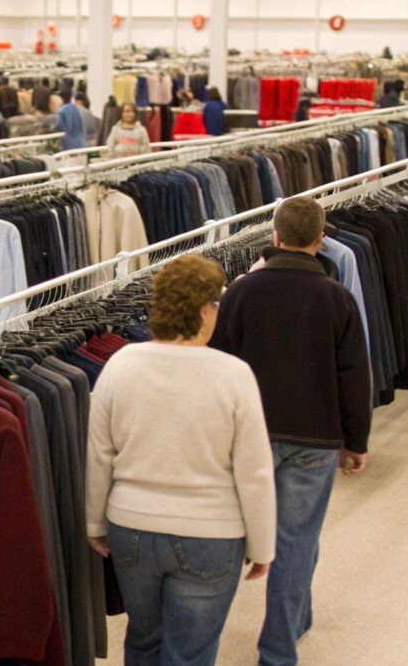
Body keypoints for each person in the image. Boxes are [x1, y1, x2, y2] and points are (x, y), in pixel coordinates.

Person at [86, 254, 276, 666]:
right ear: (206, 311)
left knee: (143, 641)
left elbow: (99, 454)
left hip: (133, 527)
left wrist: (95, 522)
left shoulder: (120, 365)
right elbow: (255, 471)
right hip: (210, 532)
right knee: (190, 653)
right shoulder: (233, 374)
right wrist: (262, 543)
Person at [209, 197, 372, 666]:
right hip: (314, 439)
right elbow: (353, 375)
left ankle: (263, 626)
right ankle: (279, 649)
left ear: (275, 236)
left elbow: (218, 366)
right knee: (297, 538)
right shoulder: (337, 298)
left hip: (250, 435)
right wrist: (356, 441)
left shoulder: (240, 293)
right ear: (320, 240)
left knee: (235, 535)